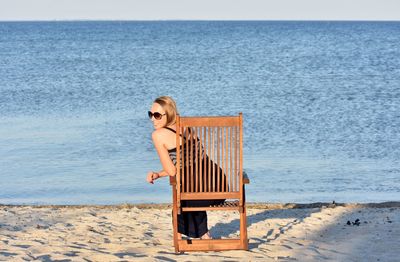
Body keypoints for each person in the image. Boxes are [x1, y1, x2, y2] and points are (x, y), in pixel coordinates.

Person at [146, 96, 224, 240]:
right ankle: (203, 234)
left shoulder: (158, 135)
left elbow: (172, 171)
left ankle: (197, 235)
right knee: (190, 187)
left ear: (168, 114)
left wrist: (161, 173)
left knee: (183, 196)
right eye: (150, 114)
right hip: (219, 185)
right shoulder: (186, 125)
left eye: (157, 115)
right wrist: (158, 174)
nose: (153, 119)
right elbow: (189, 163)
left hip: (200, 191)